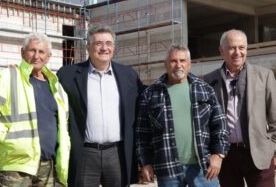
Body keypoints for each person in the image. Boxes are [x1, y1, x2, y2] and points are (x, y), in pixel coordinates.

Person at [0, 33, 70, 187]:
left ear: (48, 56)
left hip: (49, 167)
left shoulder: (57, 87)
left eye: (41, 52)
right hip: (16, 166)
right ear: (22, 52)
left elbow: (63, 127)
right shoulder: (6, 78)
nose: (36, 56)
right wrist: (7, 138)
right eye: (32, 50)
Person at [57, 24, 144, 187]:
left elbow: (144, 106)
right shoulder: (67, 75)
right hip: (85, 153)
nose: (104, 48)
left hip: (117, 153)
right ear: (88, 47)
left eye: (108, 43)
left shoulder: (129, 75)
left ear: (114, 47)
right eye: (98, 43)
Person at [136, 44, 230, 187]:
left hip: (203, 167)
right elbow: (142, 134)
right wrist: (145, 163)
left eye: (182, 61)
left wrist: (218, 155)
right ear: (165, 64)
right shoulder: (150, 94)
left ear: (189, 64)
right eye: (173, 61)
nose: (178, 65)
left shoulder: (205, 90)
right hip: (168, 169)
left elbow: (220, 124)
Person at [204, 29, 276, 187]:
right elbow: (206, 123)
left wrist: (271, 147)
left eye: (241, 47)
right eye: (232, 48)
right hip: (226, 155)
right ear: (221, 50)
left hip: (259, 153)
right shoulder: (208, 81)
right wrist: (213, 152)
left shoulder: (264, 76)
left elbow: (274, 118)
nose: (237, 52)